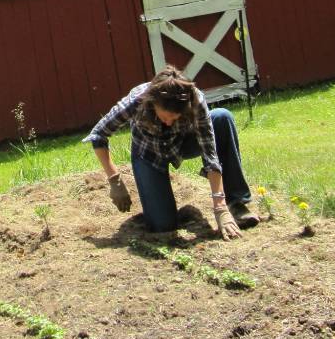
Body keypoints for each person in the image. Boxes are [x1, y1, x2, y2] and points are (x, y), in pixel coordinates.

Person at [83, 65, 259, 240]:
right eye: (165, 117)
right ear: (153, 103)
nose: (169, 122)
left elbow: (210, 153)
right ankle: (164, 209)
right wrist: (114, 179)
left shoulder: (195, 100)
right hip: (149, 154)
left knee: (222, 117)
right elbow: (99, 134)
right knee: (163, 226)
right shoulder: (137, 100)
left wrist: (220, 207)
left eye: (175, 118)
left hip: (183, 143)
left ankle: (236, 203)